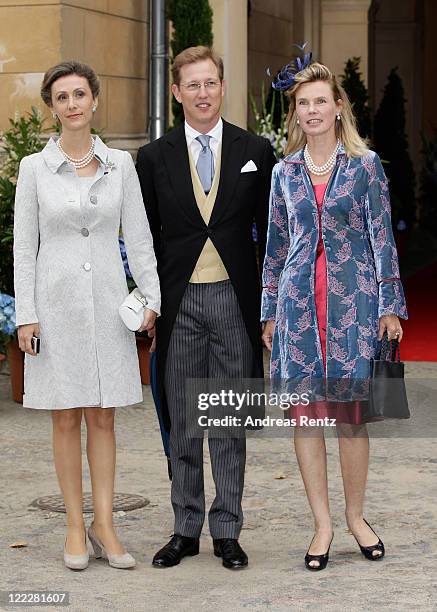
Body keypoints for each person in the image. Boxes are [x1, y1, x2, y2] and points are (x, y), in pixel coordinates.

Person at [13, 61, 160, 570]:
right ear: (51, 108)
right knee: (64, 417)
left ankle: (106, 524)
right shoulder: (33, 168)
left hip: (107, 305)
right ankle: (75, 526)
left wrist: (151, 299)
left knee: (103, 416)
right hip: (54, 309)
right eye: (62, 96)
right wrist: (26, 317)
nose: (72, 104)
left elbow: (139, 239)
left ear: (95, 101)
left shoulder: (121, 165)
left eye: (80, 94)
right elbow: (23, 248)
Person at [261, 61, 407, 571]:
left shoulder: (365, 167)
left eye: (321, 100)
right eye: (303, 103)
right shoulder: (284, 173)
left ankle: (356, 518)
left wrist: (391, 305)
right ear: (295, 113)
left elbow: (382, 238)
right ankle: (321, 524)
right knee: (306, 419)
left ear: (338, 106)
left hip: (354, 305)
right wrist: (268, 312)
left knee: (350, 419)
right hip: (298, 308)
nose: (312, 110)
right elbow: (276, 247)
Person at [136, 46, 276, 570]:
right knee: (185, 419)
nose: (202, 93)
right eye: (191, 85)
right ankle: (185, 527)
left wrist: (270, 306)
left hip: (234, 300)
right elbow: (145, 237)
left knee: (228, 418)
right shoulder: (153, 157)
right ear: (176, 93)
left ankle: (227, 530)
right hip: (179, 302)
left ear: (223, 86)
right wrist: (148, 302)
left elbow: (273, 235)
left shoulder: (255, 150)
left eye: (210, 83)